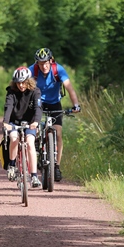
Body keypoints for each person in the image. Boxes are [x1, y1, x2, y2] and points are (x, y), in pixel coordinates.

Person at [29, 47, 81, 182]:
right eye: (40, 64)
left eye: (46, 63)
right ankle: (37, 148)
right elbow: (22, 87)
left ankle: (56, 166)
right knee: (34, 129)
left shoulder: (58, 70)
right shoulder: (32, 71)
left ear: (51, 61)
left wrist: (76, 105)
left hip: (54, 103)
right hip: (37, 103)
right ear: (37, 63)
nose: (44, 66)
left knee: (58, 134)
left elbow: (69, 88)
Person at [3, 66, 42, 188]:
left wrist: (36, 121)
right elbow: (8, 107)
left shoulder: (35, 91)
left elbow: (38, 108)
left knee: (30, 143)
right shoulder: (11, 92)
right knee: (14, 138)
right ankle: (12, 165)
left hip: (30, 123)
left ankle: (34, 176)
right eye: (18, 82)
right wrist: (6, 122)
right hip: (14, 122)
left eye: (23, 82)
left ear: (29, 81)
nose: (21, 85)